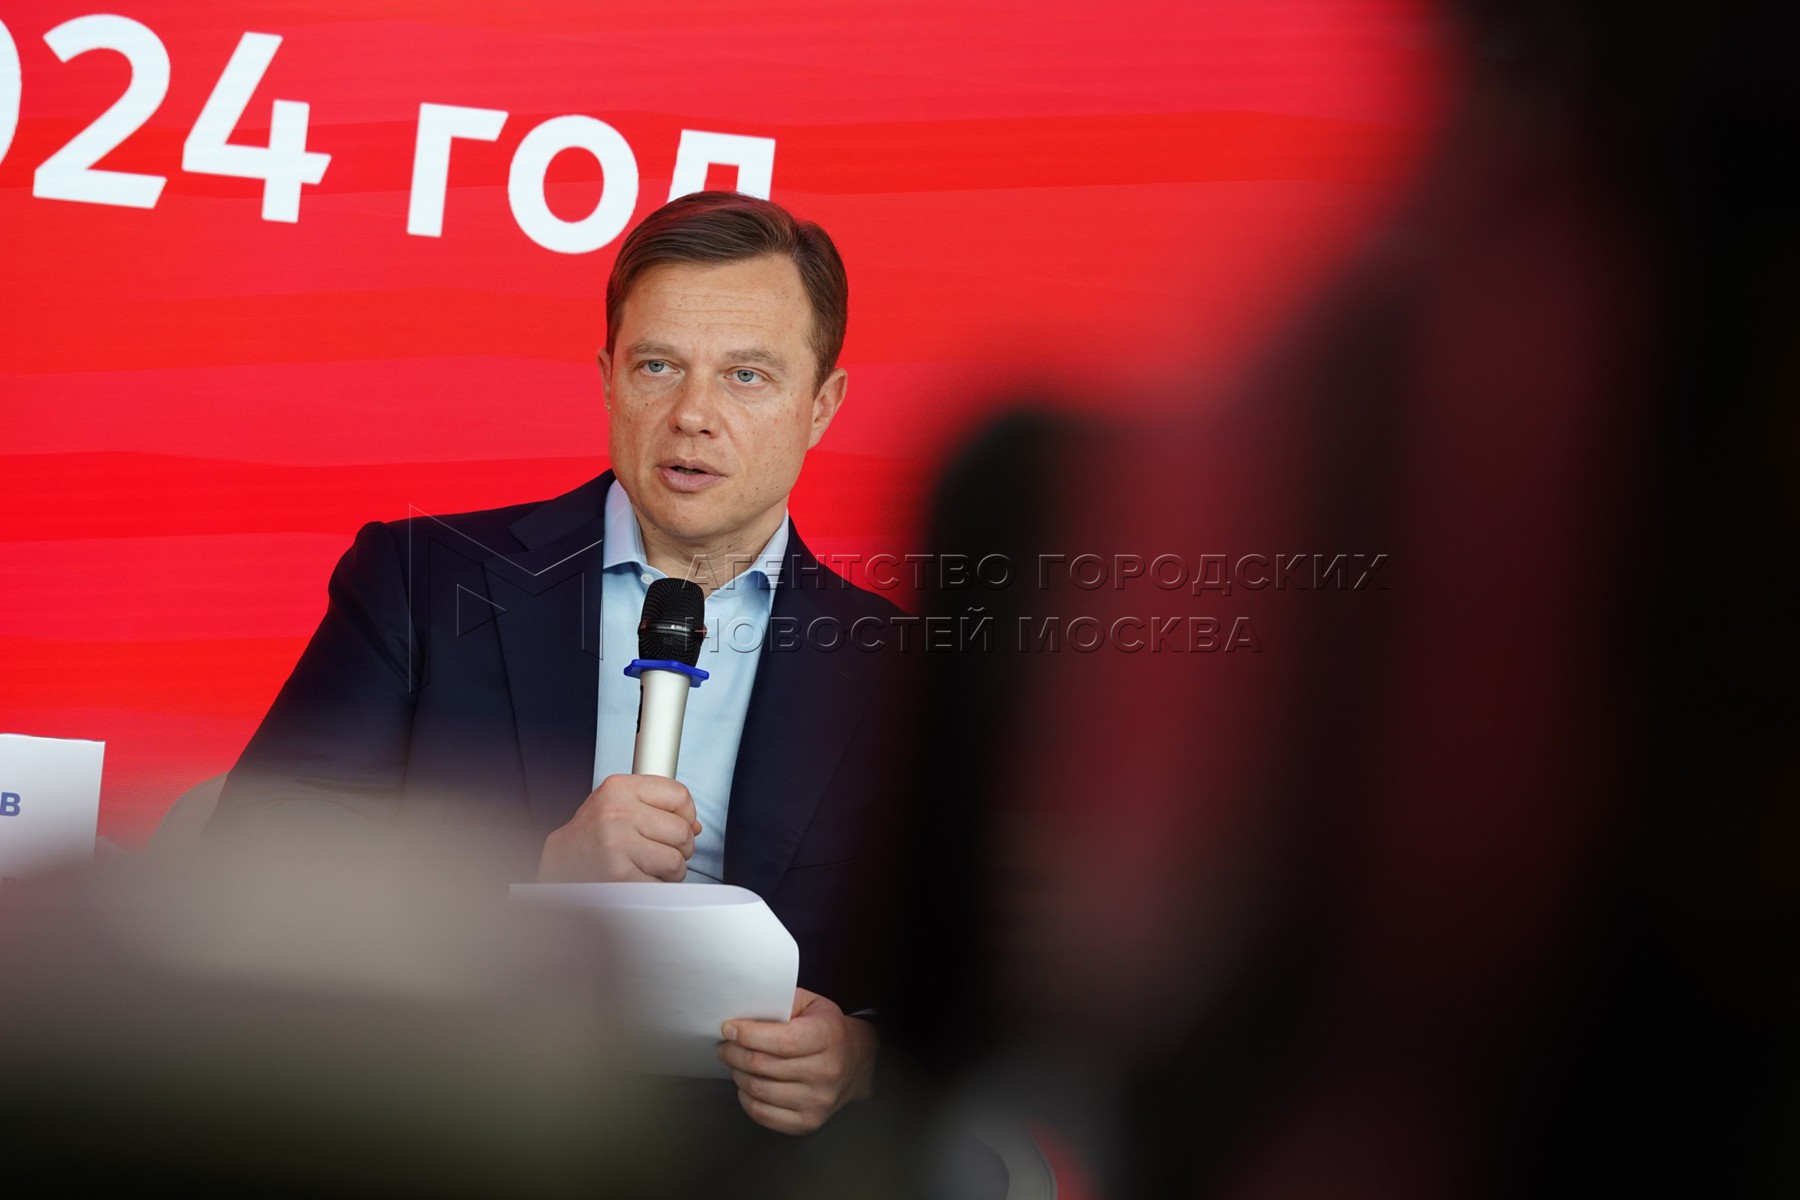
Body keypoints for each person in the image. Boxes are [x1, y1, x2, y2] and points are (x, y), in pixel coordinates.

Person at [205, 192, 921, 1152]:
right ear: (608, 379)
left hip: (745, 1153)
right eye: (657, 366)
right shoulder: (426, 583)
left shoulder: (900, 674)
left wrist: (864, 1058)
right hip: (448, 1115)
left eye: (747, 376)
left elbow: (989, 972)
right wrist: (535, 879)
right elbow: (257, 861)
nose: (693, 416)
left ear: (821, 406)